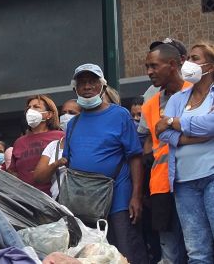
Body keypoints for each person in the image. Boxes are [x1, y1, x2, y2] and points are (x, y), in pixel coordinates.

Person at [63, 64, 147, 264]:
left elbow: (135, 157)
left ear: (102, 86)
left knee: (127, 249)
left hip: (119, 198)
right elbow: (69, 163)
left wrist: (136, 196)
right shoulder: (72, 124)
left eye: (92, 81)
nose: (87, 86)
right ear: (75, 89)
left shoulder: (120, 115)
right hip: (86, 204)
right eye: (82, 83)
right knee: (95, 255)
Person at [157, 42, 214, 263]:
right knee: (197, 251)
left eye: (195, 58)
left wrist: (172, 121)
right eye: (188, 57)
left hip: (211, 177)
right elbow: (162, 133)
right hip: (183, 184)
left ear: (211, 65)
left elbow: (211, 125)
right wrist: (193, 135)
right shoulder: (177, 99)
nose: (189, 63)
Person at [137, 43, 189, 264]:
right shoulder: (150, 105)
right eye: (147, 66)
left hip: (194, 178)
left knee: (200, 249)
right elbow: (146, 140)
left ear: (173, 65)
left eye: (154, 66)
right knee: (170, 255)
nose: (149, 72)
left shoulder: (198, 92)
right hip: (161, 186)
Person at [8, 95, 64, 194]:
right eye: (29, 108)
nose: (30, 110)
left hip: (54, 197)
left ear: (49, 114)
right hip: (26, 199)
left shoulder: (60, 136)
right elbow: (14, 172)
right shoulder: (19, 142)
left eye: (36, 107)